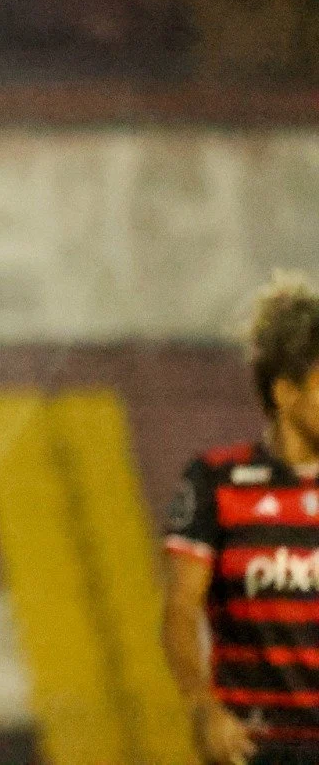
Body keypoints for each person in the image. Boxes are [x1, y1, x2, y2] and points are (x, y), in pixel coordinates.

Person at [165, 273, 319, 765]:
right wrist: (203, 708)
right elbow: (179, 613)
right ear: (285, 394)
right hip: (253, 748)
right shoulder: (215, 482)